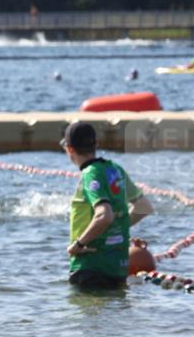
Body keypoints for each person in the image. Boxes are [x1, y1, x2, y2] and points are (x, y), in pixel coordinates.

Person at [62, 123, 153, 290]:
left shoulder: (90, 173)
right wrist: (118, 228)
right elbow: (144, 207)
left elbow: (104, 215)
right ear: (96, 144)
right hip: (117, 267)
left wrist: (79, 245)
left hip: (90, 267)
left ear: (69, 149)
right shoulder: (116, 170)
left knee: (82, 307)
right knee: (113, 306)